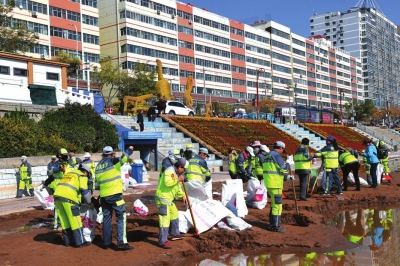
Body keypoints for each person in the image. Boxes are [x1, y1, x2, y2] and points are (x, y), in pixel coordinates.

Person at [95, 145, 134, 250]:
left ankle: (106, 243)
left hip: (104, 196)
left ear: (103, 155)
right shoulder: (113, 162)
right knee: (121, 216)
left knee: (107, 218)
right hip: (115, 195)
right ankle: (122, 242)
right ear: (112, 155)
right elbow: (125, 157)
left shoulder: (98, 166)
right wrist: (129, 149)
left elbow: (97, 185)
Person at [53, 161, 92, 248]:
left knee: (65, 220)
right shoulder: (82, 175)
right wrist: (89, 202)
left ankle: (68, 241)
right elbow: (84, 190)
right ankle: (80, 242)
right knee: (75, 220)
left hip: (57, 197)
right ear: (85, 172)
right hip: (69, 198)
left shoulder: (70, 173)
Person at [155, 158, 188, 249]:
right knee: (164, 220)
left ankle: (174, 234)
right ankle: (162, 241)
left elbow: (177, 188)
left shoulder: (177, 174)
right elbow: (167, 183)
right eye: (184, 169)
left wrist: (183, 196)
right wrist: (178, 179)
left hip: (169, 199)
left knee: (174, 214)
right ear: (180, 167)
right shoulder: (169, 171)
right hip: (162, 198)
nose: (184, 171)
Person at [262, 141, 291, 233]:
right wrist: (289, 164)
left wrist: (286, 177)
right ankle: (275, 226)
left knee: (274, 204)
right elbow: (283, 168)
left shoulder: (268, 155)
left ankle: (272, 224)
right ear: (281, 148)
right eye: (283, 149)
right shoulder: (277, 155)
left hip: (269, 182)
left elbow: (273, 169)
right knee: (277, 206)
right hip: (275, 184)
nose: (282, 151)